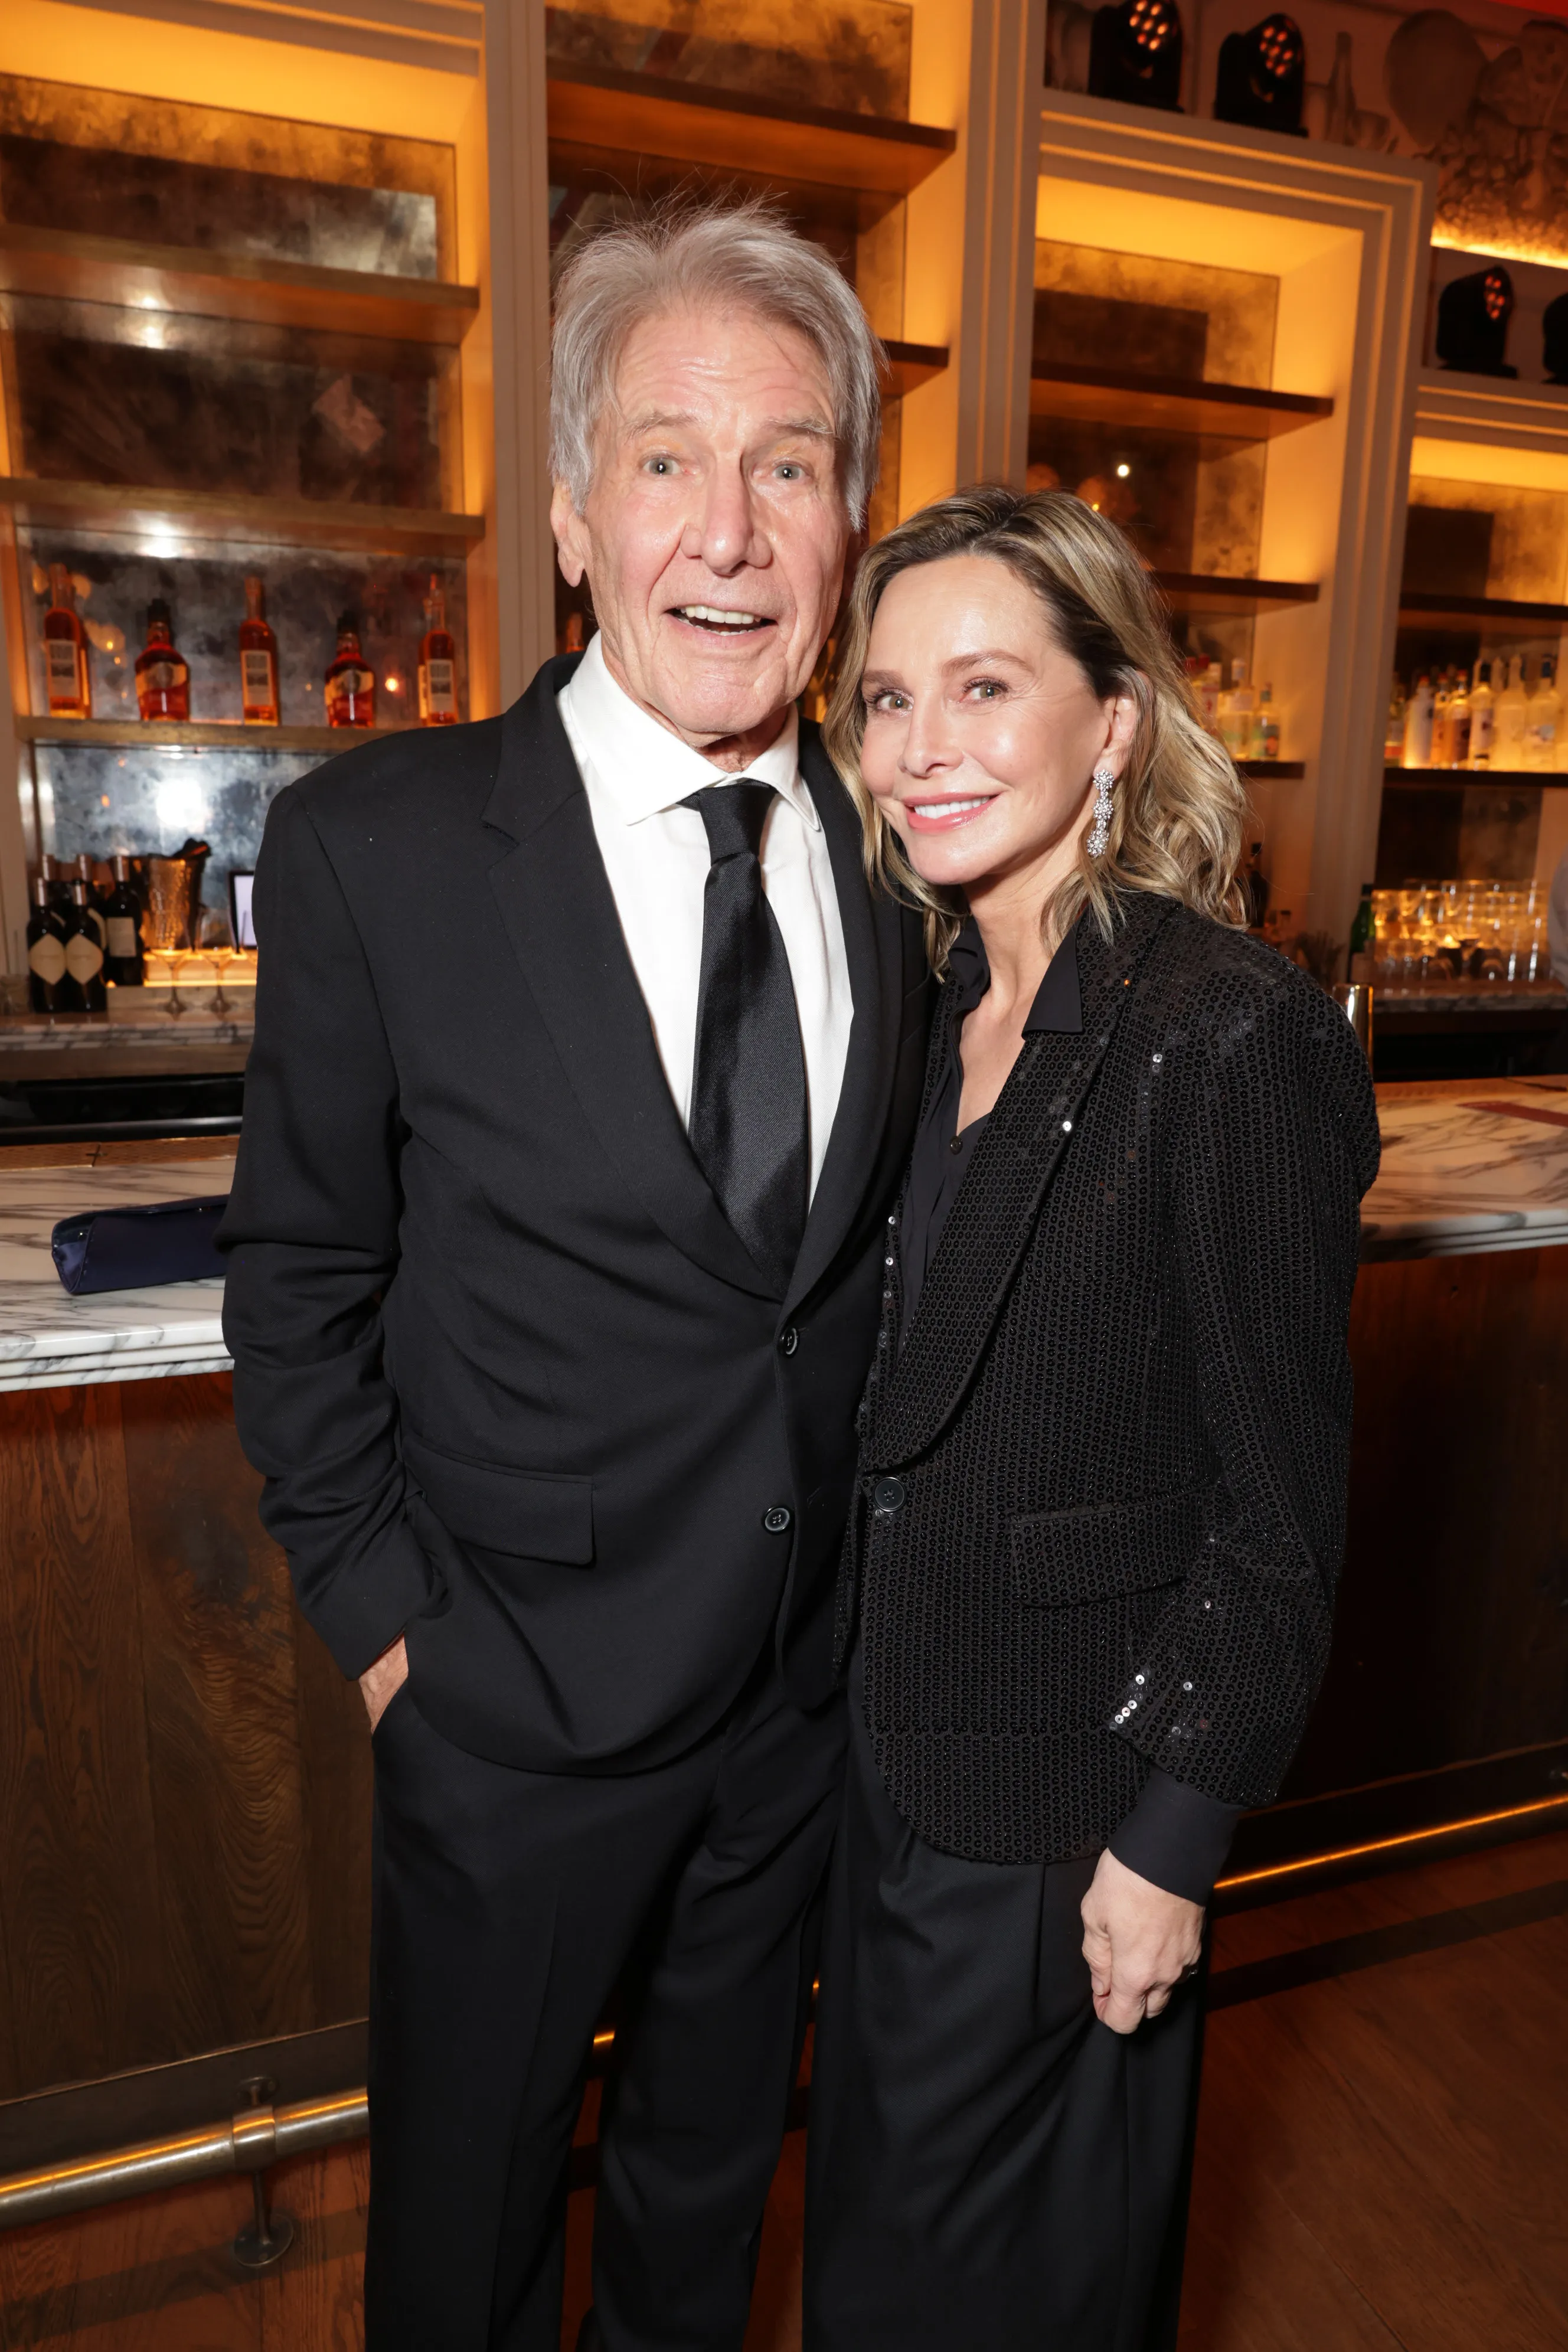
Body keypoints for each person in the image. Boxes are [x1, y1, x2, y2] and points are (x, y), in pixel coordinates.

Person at [218, 202, 930, 2351]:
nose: (729, 530)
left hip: (794, 1724)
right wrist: (394, 1648)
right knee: (464, 2246)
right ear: (567, 515)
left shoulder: (914, 862)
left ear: (848, 521)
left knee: (708, 2222)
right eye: (667, 459)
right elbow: (298, 1280)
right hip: (507, 1718)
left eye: (790, 463)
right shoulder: (383, 850)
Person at [803, 486, 1381, 2351]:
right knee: (887, 2271)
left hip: (1074, 1813)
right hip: (898, 1771)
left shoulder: (1226, 1033)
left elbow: (1279, 1513)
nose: (921, 747)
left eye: (984, 687)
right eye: (888, 700)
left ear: (1113, 723)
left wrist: (1171, 1844)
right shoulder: (942, 996)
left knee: (1024, 2297)